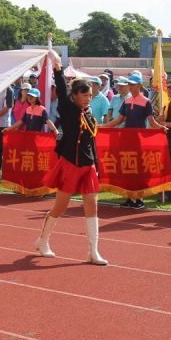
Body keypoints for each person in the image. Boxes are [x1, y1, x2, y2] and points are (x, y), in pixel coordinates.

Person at [33, 49, 107, 265]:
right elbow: (62, 87)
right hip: (70, 164)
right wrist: (57, 66)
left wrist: (97, 166)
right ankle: (43, 240)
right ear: (75, 96)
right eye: (84, 95)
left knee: (92, 205)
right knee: (60, 206)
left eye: (90, 95)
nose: (88, 98)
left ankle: (93, 250)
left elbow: (91, 141)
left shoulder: (90, 114)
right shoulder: (68, 109)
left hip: (88, 165)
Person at [103, 75, 154, 208]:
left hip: (139, 140)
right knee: (127, 168)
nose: (130, 87)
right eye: (129, 84)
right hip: (126, 139)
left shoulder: (146, 101)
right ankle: (129, 197)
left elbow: (151, 122)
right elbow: (118, 120)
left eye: (132, 84)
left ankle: (140, 199)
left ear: (139, 86)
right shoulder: (126, 101)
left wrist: (162, 128)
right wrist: (101, 127)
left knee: (138, 170)